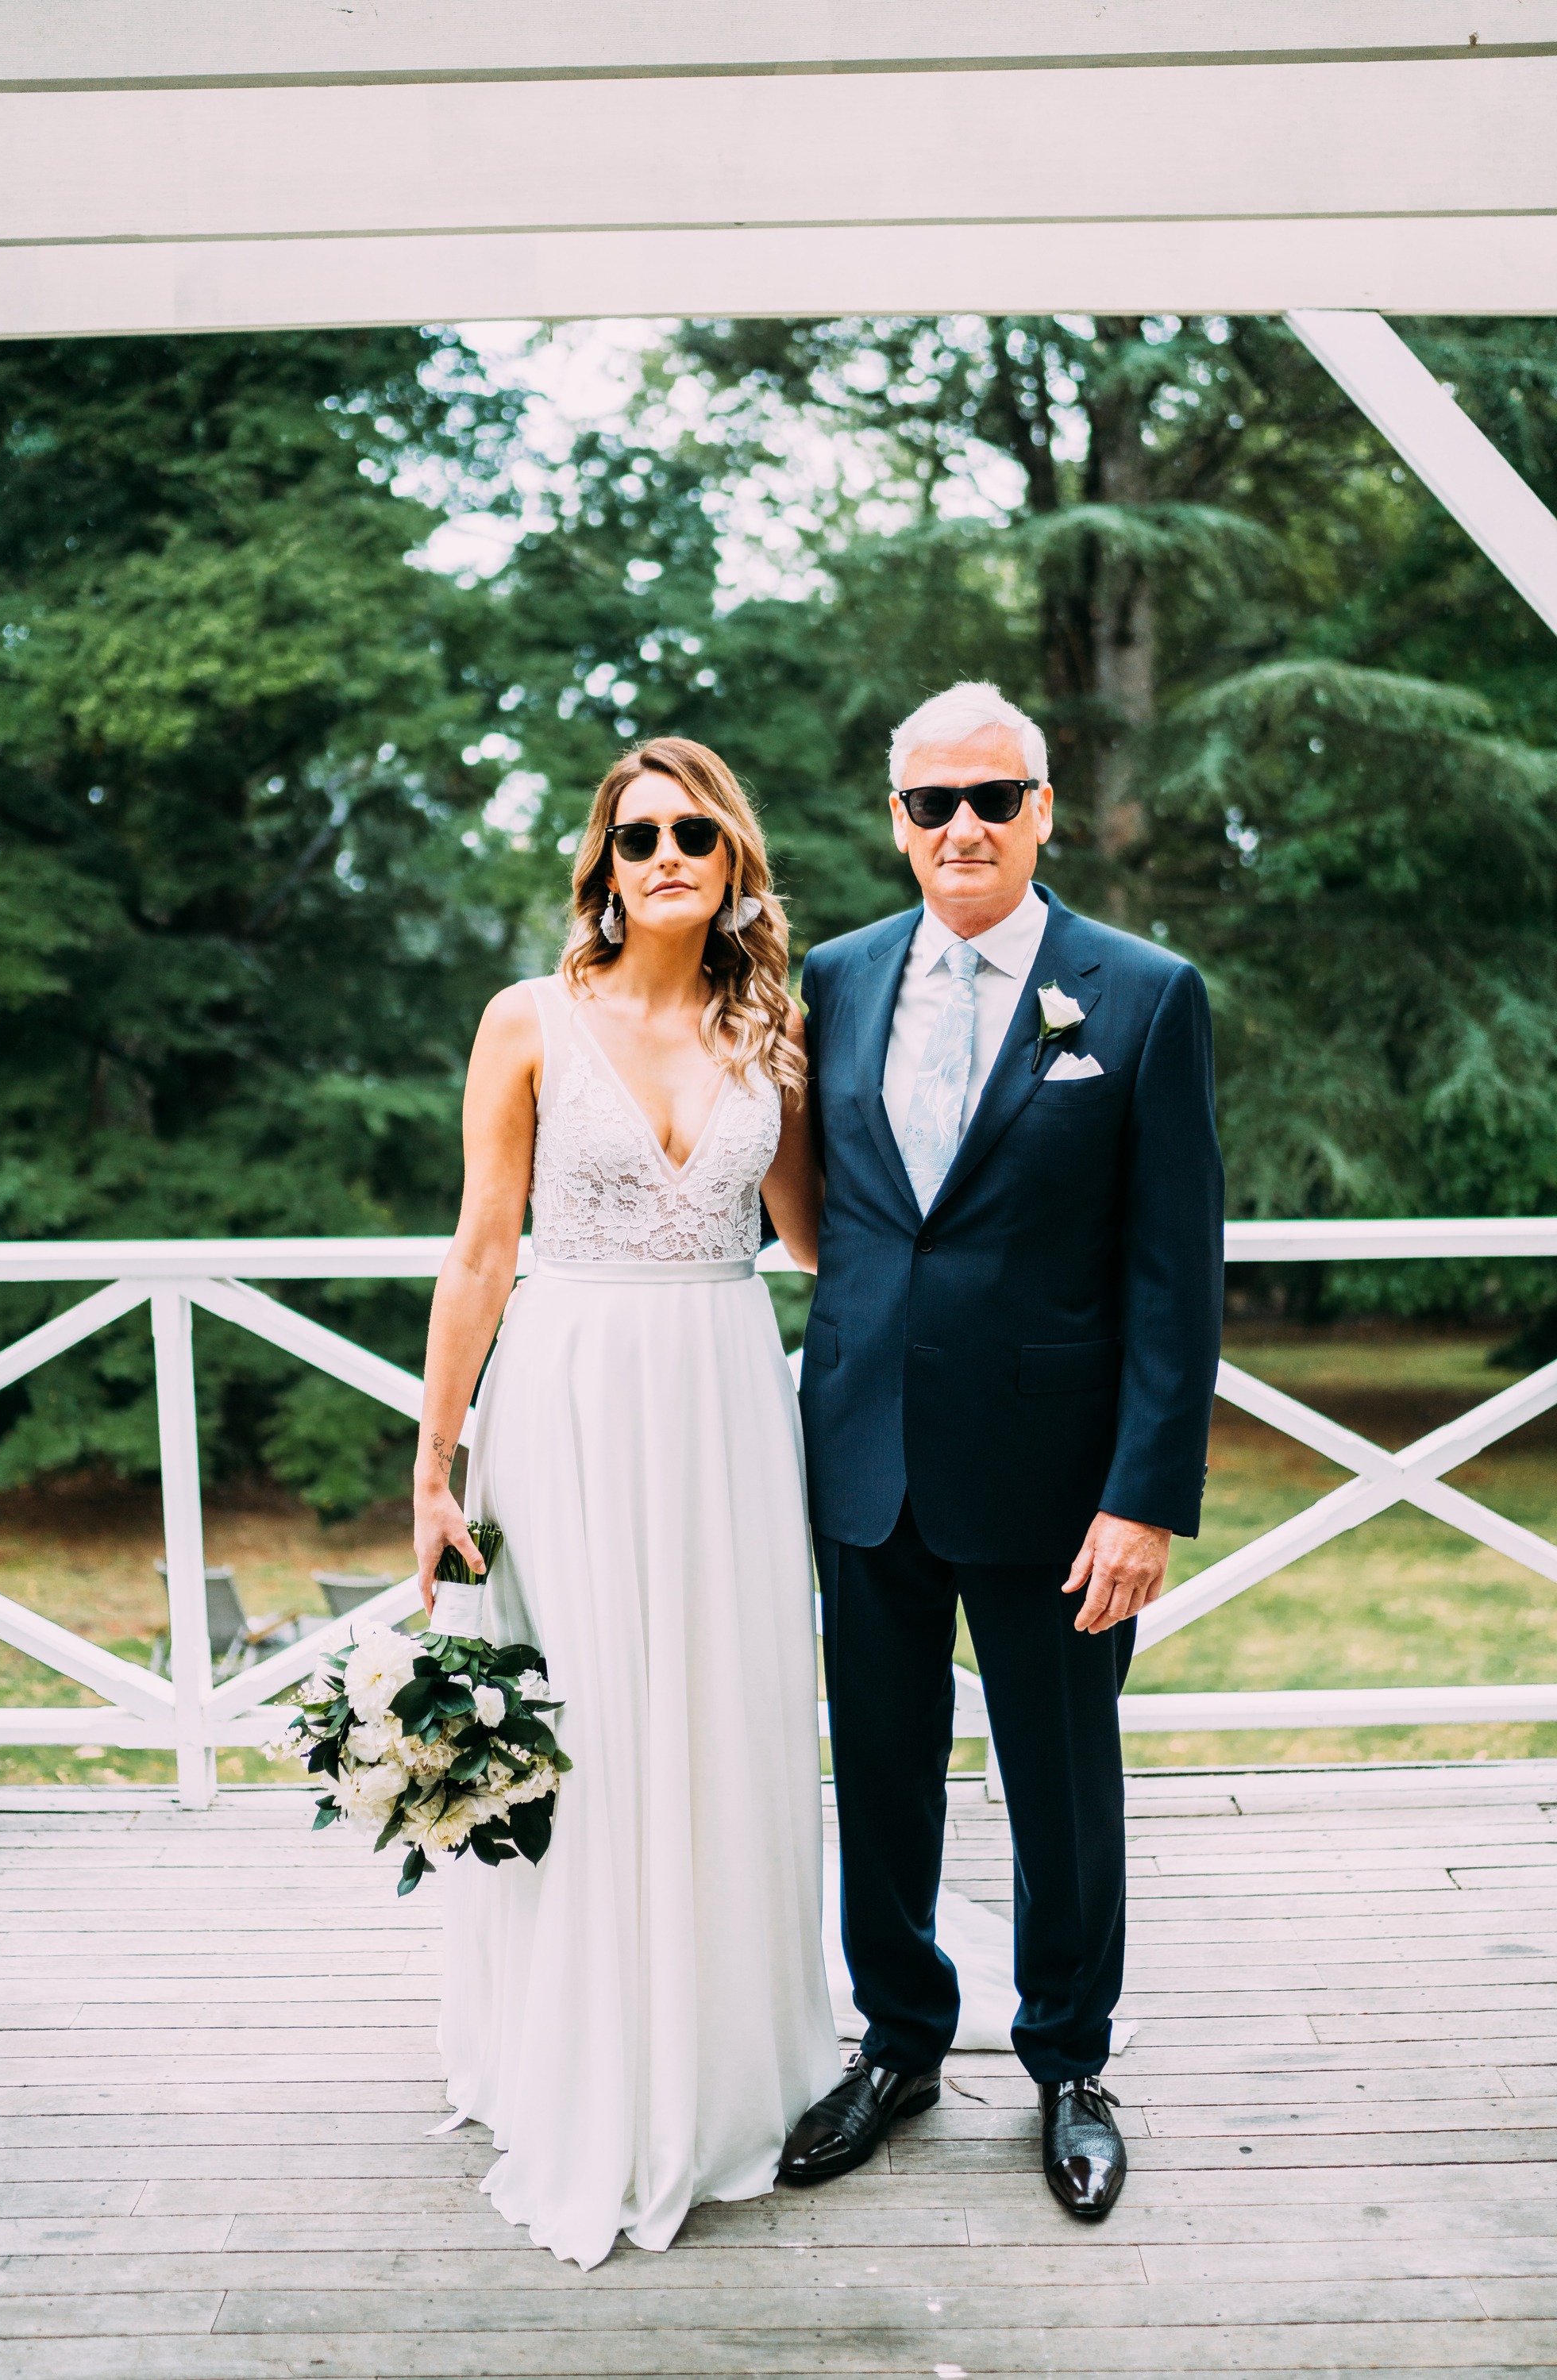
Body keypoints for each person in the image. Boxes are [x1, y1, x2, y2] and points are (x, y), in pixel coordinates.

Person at [782, 681, 1224, 2218]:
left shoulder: (1142, 993)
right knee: (881, 1775)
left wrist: (1144, 1492)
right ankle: (899, 2039)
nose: (959, 826)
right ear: (891, 821)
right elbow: (823, 1204)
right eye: (929, 803)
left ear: (1042, 806)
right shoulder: (832, 981)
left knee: (1061, 1784)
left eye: (991, 797)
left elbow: (1177, 1274)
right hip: (864, 1455)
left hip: (1054, 1479)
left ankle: (1070, 2061)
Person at [412, 737, 842, 2271]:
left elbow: (815, 1247)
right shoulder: (528, 1019)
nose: (668, 853)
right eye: (640, 831)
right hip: (574, 1389)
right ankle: (584, 2064)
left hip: (727, 1396)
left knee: (723, 1713)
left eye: (697, 834)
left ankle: (725, 2050)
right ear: (603, 859)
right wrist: (434, 1458)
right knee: (583, 1723)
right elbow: (479, 1246)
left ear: (733, 865)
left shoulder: (772, 1029)